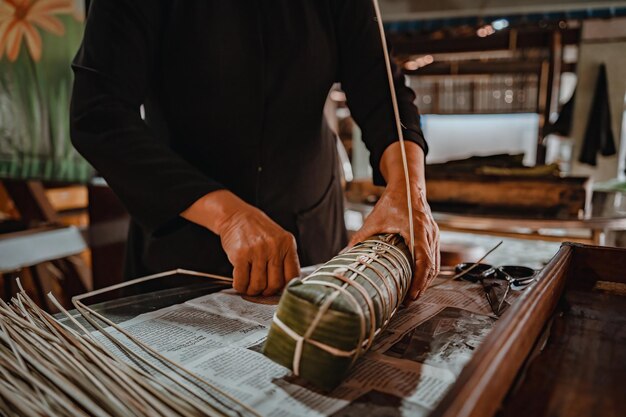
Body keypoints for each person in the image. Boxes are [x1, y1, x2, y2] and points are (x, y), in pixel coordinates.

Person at [70, 0, 440, 300]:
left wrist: (408, 193)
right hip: (185, 237)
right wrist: (229, 217)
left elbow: (383, 95)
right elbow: (98, 116)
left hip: (311, 228)